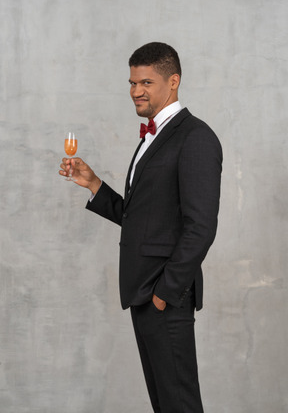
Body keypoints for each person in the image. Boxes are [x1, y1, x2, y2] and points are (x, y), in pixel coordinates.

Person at [59, 42, 222, 413]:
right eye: (132, 82)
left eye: (146, 82)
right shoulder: (153, 136)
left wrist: (165, 291)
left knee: (179, 403)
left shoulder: (195, 137)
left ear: (174, 81)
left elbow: (201, 227)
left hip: (164, 293)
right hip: (143, 293)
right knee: (165, 404)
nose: (136, 91)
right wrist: (94, 184)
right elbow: (144, 218)